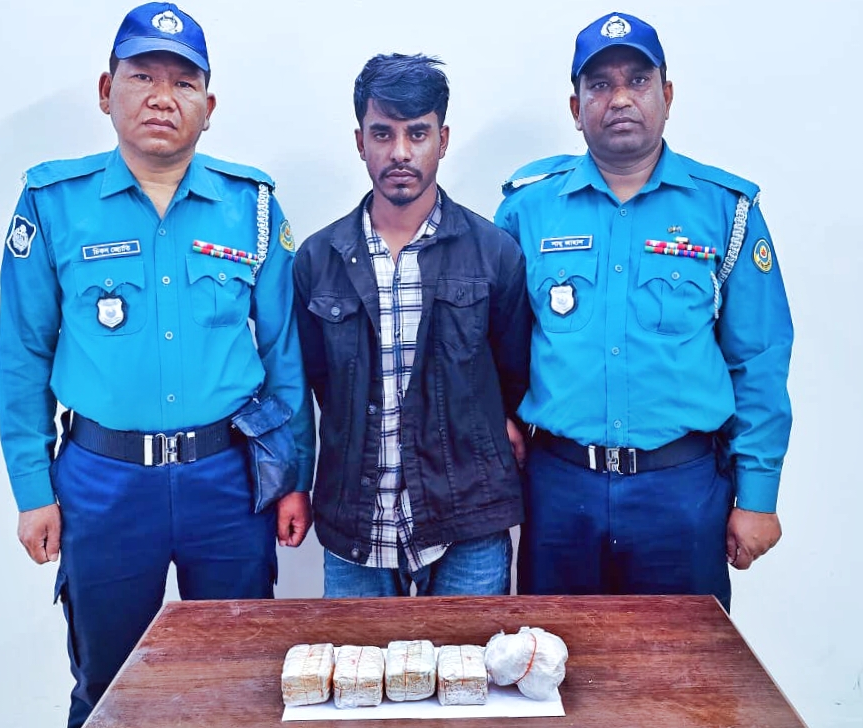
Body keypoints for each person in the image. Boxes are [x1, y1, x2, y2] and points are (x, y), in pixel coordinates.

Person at [0, 4, 314, 725]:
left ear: (209, 106)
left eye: (183, 82)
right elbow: (23, 354)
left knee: (238, 683)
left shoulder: (253, 206)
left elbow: (283, 355)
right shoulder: (53, 204)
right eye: (142, 76)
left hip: (228, 481)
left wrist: (295, 478)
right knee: (109, 688)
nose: (162, 97)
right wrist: (32, 488)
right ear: (106, 90)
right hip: (103, 484)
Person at [495, 12, 793, 611]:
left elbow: (758, 359)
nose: (620, 98)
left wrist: (758, 496)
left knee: (683, 664)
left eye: (637, 80)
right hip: (559, 491)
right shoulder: (527, 209)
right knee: (555, 659)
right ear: (576, 107)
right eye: (600, 85)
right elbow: (488, 337)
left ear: (668, 95)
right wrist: (494, 417)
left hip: (681, 491)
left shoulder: (726, 209)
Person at [293, 54, 532, 598]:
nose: (400, 152)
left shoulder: (494, 253)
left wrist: (494, 422)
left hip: (469, 519)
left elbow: (514, 370)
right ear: (360, 142)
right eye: (383, 133)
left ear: (442, 140)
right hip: (357, 524)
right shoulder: (318, 260)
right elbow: (320, 383)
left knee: (469, 657)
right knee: (354, 658)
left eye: (417, 133)